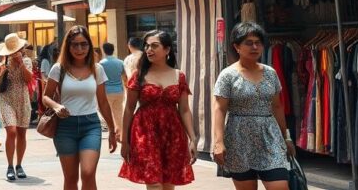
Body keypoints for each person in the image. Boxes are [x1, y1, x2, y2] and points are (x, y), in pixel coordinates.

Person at [212, 22, 293, 189]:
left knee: (280, 186)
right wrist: (219, 142)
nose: (254, 46)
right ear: (237, 46)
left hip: (270, 137)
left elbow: (277, 106)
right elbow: (219, 109)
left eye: (258, 42)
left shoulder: (271, 73)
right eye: (249, 43)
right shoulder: (228, 75)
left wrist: (287, 137)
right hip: (239, 138)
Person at [43, 26, 118, 190]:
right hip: (65, 127)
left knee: (88, 172)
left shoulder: (97, 69)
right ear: (68, 47)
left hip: (90, 125)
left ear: (90, 46)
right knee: (70, 178)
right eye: (75, 45)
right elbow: (45, 96)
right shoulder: (58, 68)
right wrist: (56, 106)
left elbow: (103, 102)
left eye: (84, 44)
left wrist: (112, 130)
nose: (79, 49)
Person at [119, 30, 195, 188]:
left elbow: (185, 110)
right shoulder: (138, 75)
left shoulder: (178, 75)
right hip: (144, 132)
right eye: (146, 46)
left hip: (172, 133)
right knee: (154, 184)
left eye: (154, 46)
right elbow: (128, 110)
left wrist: (193, 139)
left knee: (168, 185)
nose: (149, 50)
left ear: (167, 50)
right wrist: (124, 140)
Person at [0, 33, 34, 181]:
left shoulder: (27, 61)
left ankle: (19, 165)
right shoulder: (3, 63)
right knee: (11, 131)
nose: (15, 53)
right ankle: (10, 166)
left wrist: (21, 64)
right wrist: (3, 71)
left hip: (23, 100)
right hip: (7, 100)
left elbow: (28, 79)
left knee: (22, 134)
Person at [99, 42, 126, 133]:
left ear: (103, 50)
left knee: (105, 111)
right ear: (113, 50)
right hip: (119, 91)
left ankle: (109, 128)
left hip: (106, 91)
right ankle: (120, 132)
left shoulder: (101, 64)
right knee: (118, 112)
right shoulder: (120, 62)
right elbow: (124, 77)